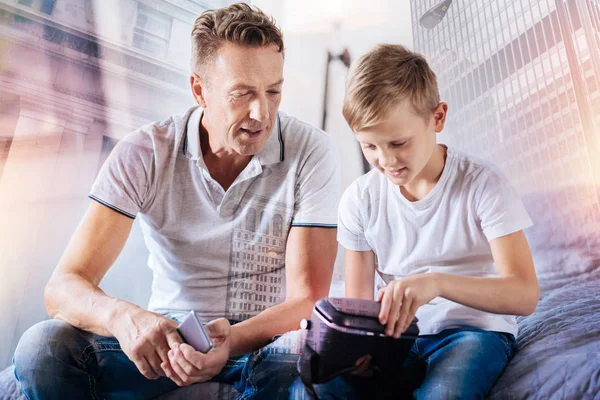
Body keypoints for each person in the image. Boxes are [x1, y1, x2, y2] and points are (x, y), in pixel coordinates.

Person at [12, 3, 340, 399]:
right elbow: (64, 287)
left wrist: (231, 341)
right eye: (242, 93)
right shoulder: (146, 152)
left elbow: (308, 299)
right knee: (42, 349)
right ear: (200, 90)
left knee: (318, 360)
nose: (262, 112)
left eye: (273, 91)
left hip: (266, 344)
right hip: (171, 343)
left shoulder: (312, 150)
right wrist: (124, 317)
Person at [296, 44, 539, 399]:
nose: (386, 160)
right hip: (398, 340)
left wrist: (436, 283)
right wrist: (357, 352)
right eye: (370, 147)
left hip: (474, 333)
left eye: (398, 142)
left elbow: (525, 294)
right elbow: (359, 307)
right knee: (317, 383)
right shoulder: (359, 200)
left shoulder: (482, 184)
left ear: (437, 118)